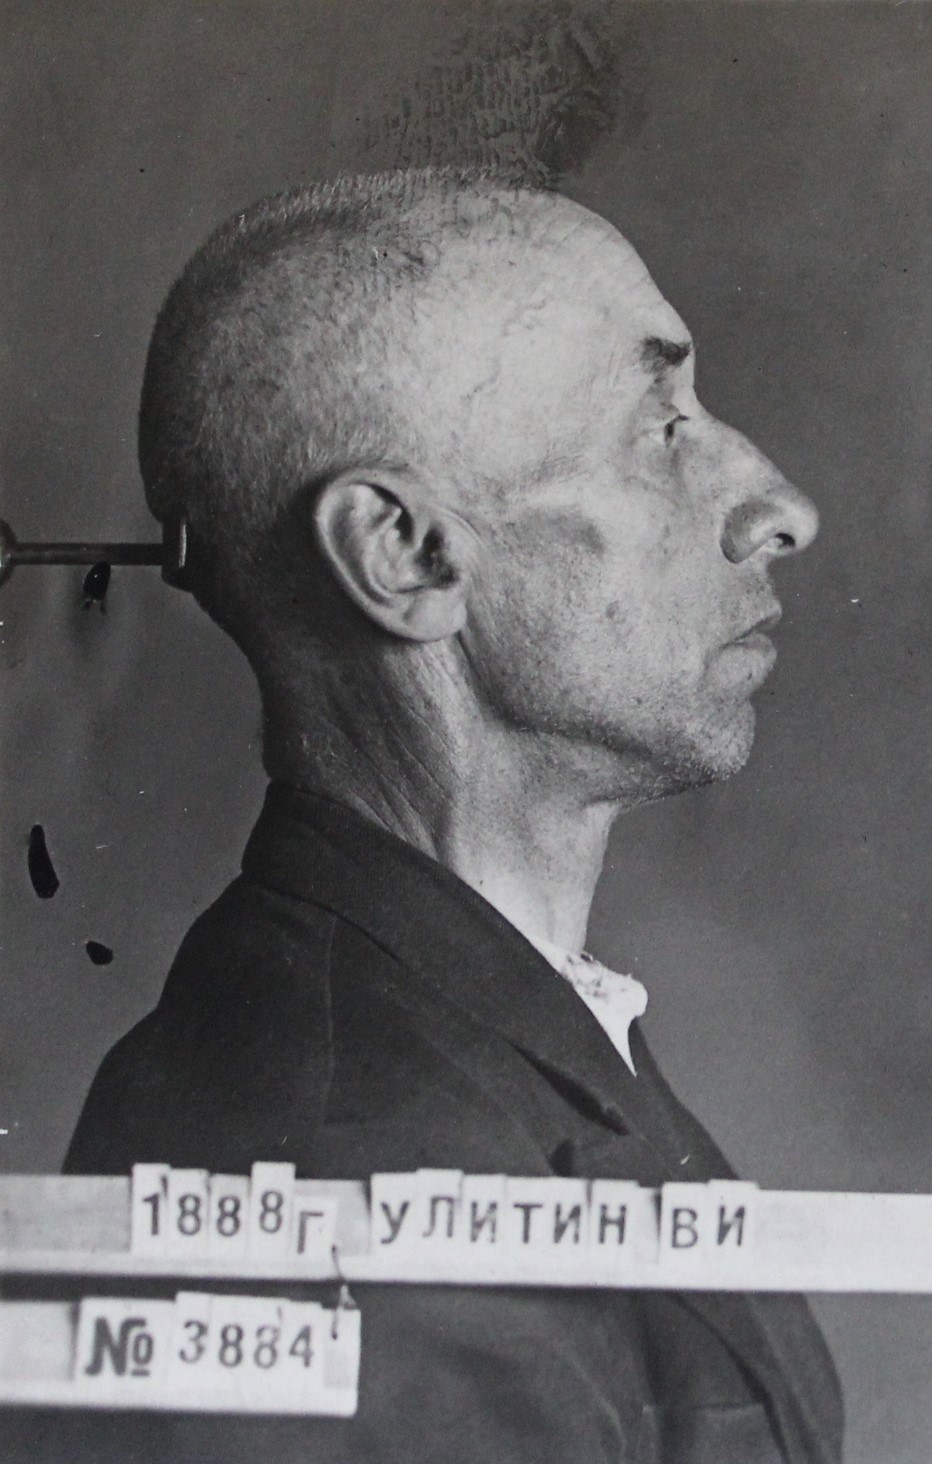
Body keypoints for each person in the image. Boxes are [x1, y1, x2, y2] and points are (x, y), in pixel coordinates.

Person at [14, 168, 839, 1462]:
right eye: (662, 429)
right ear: (402, 555)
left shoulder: (479, 1041)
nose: (780, 508)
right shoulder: (355, 1188)